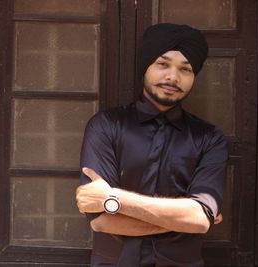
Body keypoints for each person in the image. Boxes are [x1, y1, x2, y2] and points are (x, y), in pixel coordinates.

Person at [75, 23, 228, 266]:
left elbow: (198, 219)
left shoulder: (209, 138)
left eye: (185, 69)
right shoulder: (106, 125)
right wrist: (182, 221)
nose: (172, 77)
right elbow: (101, 220)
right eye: (162, 64)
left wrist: (113, 198)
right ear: (145, 66)